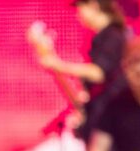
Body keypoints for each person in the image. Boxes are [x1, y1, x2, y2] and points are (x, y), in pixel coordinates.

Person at [39, 0, 129, 140]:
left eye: (80, 8)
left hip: (110, 121)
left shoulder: (112, 36)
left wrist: (58, 65)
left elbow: (98, 73)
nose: (78, 15)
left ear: (93, 6)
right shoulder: (100, 38)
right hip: (99, 117)